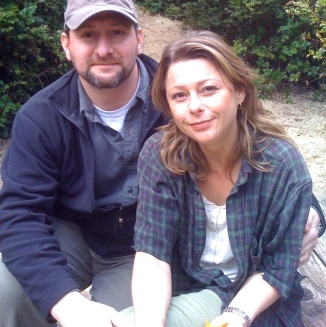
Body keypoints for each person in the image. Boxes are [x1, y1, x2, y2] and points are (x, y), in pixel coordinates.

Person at [0, 0, 324, 327]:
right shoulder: (41, 116)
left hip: (141, 249)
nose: (103, 49)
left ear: (138, 38)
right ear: (67, 45)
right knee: (10, 293)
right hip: (70, 235)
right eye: (88, 35)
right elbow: (18, 213)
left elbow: (260, 153)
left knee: (129, 318)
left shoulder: (180, 96)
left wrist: (309, 213)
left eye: (117, 32)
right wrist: (66, 303)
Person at [124, 31, 321, 327]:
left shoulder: (281, 164)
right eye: (179, 95)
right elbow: (153, 254)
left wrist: (236, 315)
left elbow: (279, 266)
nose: (194, 106)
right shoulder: (159, 156)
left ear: (239, 92)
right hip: (188, 290)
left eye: (208, 89)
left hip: (260, 303)